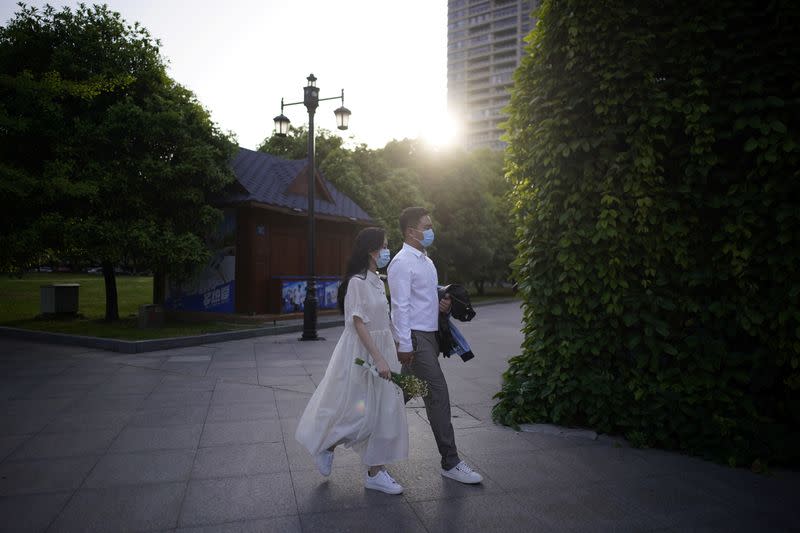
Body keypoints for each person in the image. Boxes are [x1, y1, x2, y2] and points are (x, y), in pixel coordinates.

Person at [295, 227, 408, 495]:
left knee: (382, 411)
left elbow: (383, 318)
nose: (387, 251)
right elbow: (358, 322)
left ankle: (375, 472)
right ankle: (327, 445)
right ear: (372, 250)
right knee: (358, 412)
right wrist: (378, 357)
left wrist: (396, 342)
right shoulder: (357, 282)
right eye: (385, 245)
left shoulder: (377, 280)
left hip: (382, 350)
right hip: (362, 353)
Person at [387, 207, 483, 484]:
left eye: (430, 225)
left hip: (429, 336)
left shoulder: (427, 263)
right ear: (410, 231)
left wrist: (444, 303)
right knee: (437, 393)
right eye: (426, 226)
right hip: (416, 340)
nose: (430, 230)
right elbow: (400, 308)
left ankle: (354, 433)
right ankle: (450, 462)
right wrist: (404, 344)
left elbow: (426, 299)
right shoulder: (402, 262)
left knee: (398, 397)